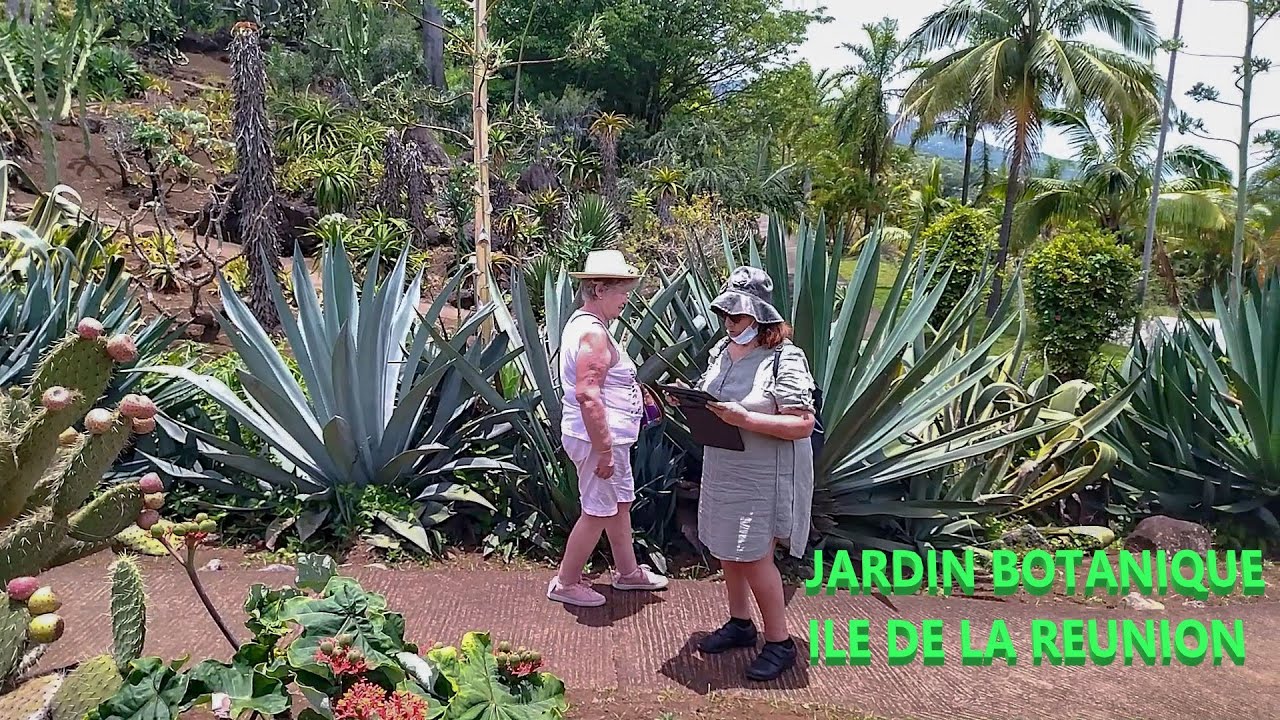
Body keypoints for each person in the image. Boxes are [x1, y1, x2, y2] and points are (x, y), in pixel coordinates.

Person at [683, 265, 816, 682]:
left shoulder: (784, 358)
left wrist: (746, 419)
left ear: (760, 317)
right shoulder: (722, 353)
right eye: (726, 315)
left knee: (756, 557)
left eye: (737, 317)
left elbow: (803, 424)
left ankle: (780, 643)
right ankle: (740, 624)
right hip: (723, 466)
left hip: (763, 474)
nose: (729, 323)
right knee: (727, 550)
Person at [548, 250, 669, 607]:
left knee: (618, 503)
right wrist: (603, 450)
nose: (627, 298)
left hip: (607, 439)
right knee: (598, 510)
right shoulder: (593, 335)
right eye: (622, 291)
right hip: (597, 440)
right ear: (599, 289)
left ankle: (628, 572)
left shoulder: (587, 326)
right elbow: (588, 394)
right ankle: (565, 582)